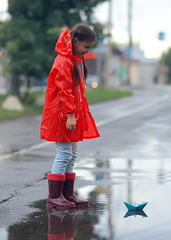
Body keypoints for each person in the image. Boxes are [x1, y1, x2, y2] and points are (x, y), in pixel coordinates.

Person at [40, 24, 100, 210]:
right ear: (75, 41)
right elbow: (64, 90)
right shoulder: (63, 61)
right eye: (85, 47)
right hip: (63, 115)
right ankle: (55, 197)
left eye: (90, 48)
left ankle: (66, 194)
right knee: (65, 153)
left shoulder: (74, 60)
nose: (87, 51)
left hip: (69, 114)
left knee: (72, 154)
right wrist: (71, 115)